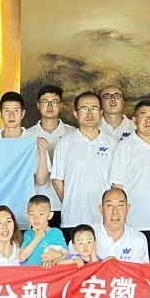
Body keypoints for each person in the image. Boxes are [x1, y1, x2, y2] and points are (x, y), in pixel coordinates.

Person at [110, 100, 150, 262]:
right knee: (133, 269)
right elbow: (117, 186)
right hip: (133, 223)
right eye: (143, 115)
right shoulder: (125, 146)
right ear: (134, 120)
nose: (149, 120)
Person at [52, 91, 117, 238]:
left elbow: (116, 183)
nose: (89, 113)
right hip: (72, 219)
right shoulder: (64, 143)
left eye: (94, 108)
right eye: (84, 109)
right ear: (76, 113)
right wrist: (70, 201)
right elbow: (57, 180)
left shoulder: (113, 144)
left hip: (103, 220)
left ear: (101, 112)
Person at [25, 85, 77, 228]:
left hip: (65, 203)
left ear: (60, 105)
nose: (49, 106)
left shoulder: (73, 134)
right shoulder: (28, 136)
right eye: (45, 102)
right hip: (37, 207)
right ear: (38, 105)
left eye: (54, 102)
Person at [92, 187, 150, 263]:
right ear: (101, 209)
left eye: (120, 205)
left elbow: (138, 270)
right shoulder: (84, 235)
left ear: (127, 209)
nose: (115, 211)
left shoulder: (138, 239)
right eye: (109, 205)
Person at [19, 195, 68, 265]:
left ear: (50, 215)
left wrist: (56, 255)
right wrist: (37, 238)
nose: (36, 218)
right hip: (30, 271)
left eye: (41, 214)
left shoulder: (55, 233)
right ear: (27, 215)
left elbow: (66, 254)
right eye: (32, 214)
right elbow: (22, 257)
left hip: (48, 271)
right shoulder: (28, 234)